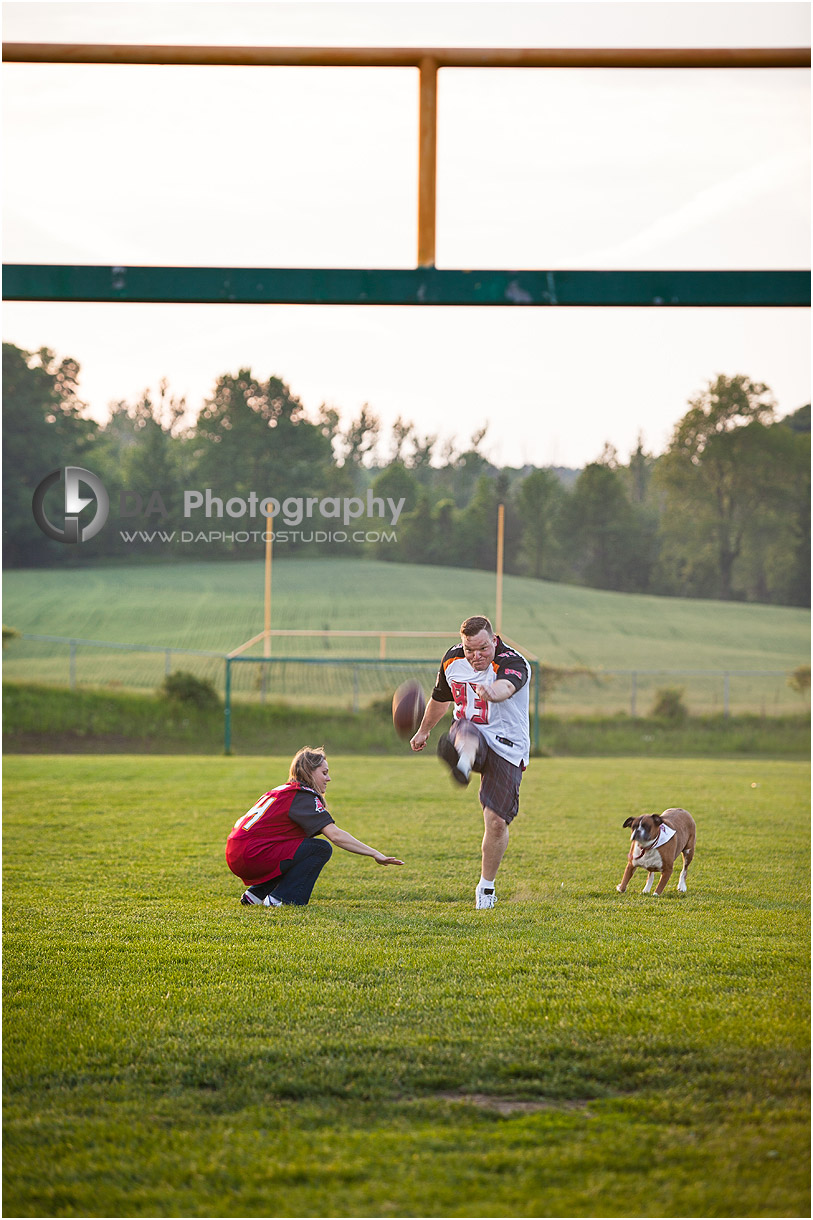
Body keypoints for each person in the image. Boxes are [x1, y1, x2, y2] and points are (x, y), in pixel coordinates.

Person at [410, 615, 530, 909]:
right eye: (469, 650)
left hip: (507, 747)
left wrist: (493, 692)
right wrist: (423, 730)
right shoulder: (452, 659)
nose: (476, 656)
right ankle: (463, 763)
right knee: (467, 729)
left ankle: (486, 888)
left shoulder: (513, 662)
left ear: (494, 640)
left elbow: (507, 688)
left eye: (483, 649)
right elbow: (441, 698)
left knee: (496, 822)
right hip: (469, 734)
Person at [226, 746, 403, 907]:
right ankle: (280, 900)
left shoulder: (283, 790)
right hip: (253, 854)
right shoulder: (302, 796)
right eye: (324, 772)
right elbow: (336, 836)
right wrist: (374, 853)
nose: (329, 778)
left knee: (297, 846)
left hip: (237, 850)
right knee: (319, 848)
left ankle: (256, 894)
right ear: (309, 772)